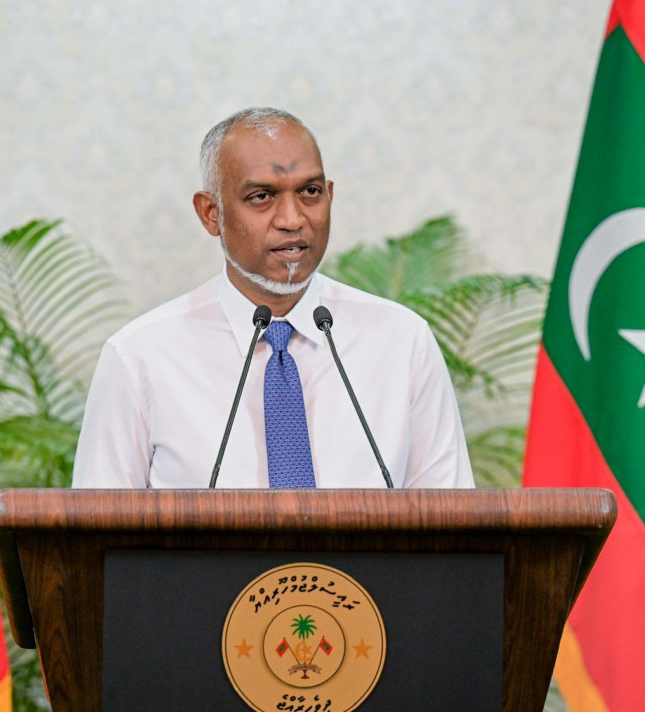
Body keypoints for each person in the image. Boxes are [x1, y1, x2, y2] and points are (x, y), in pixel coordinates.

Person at [72, 107, 474, 489]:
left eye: (310, 192)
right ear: (211, 213)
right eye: (262, 196)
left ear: (329, 196)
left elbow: (451, 519)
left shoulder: (402, 341)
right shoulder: (139, 356)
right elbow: (95, 529)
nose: (292, 220)